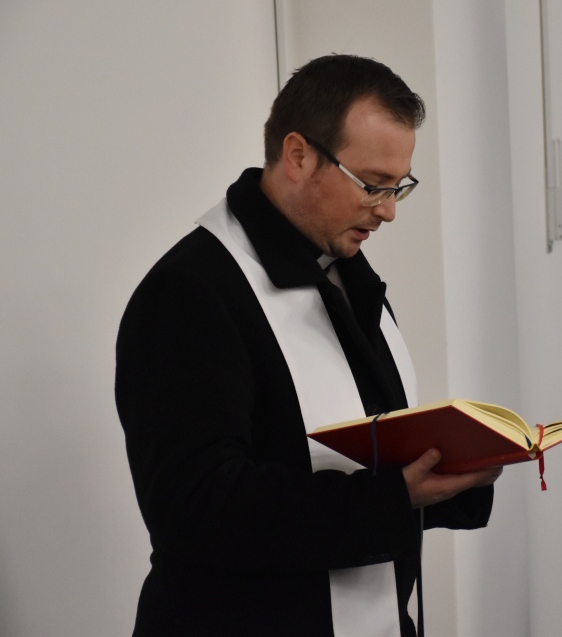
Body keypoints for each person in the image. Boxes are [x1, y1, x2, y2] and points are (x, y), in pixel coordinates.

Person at [115, 54, 502, 636]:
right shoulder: (190, 292)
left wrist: (458, 467)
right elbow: (194, 509)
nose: (388, 211)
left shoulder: (344, 271)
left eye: (399, 187)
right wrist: (391, 498)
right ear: (297, 155)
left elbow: (367, 450)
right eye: (372, 185)